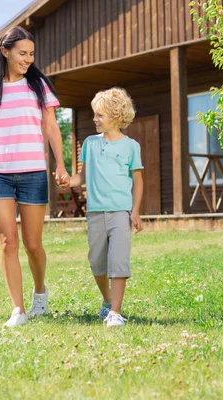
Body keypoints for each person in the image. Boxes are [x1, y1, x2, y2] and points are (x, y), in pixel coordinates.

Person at [0, 26, 69, 328]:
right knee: (7, 242)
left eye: (31, 54)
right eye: (22, 53)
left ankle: (39, 293)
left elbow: (52, 128)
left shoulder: (39, 85)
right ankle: (18, 309)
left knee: (32, 243)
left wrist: (61, 165)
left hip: (32, 172)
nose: (28, 59)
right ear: (5, 51)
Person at [59, 87, 143, 327]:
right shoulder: (90, 144)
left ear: (116, 116)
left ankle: (115, 312)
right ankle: (107, 301)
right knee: (97, 262)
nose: (94, 119)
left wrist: (135, 211)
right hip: (95, 213)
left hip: (120, 212)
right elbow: (82, 177)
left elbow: (138, 180)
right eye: (94, 114)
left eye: (99, 115)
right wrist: (68, 181)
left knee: (118, 261)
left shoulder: (131, 146)